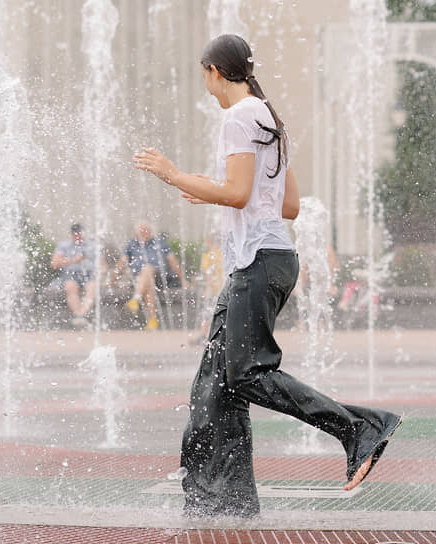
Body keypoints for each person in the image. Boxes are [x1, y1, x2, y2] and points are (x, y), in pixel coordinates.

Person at [133, 33, 402, 518]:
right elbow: (289, 205)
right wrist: (212, 191)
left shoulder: (238, 117)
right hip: (269, 260)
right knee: (214, 382)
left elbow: (237, 194)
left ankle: (356, 428)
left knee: (248, 373)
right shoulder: (269, 116)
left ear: (215, 70)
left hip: (257, 264)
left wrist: (174, 175)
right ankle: (224, 499)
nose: (207, 88)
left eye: (205, 77)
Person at [116, 220, 187, 332]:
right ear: (135, 233)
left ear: (150, 231)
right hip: (139, 280)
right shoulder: (131, 244)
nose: (143, 233)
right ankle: (153, 321)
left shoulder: (161, 243)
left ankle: (135, 299)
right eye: (140, 231)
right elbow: (122, 263)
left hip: (161, 278)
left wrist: (183, 280)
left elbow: (173, 261)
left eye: (145, 230)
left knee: (148, 268)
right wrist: (112, 280)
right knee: (148, 284)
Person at [50, 223, 98, 330]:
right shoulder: (64, 246)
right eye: (74, 233)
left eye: (79, 233)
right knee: (70, 288)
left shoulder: (92, 246)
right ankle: (79, 316)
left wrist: (101, 272)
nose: (77, 236)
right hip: (70, 274)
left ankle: (81, 315)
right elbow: (54, 263)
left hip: (89, 273)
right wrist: (74, 260)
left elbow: (102, 264)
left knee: (92, 289)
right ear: (71, 234)